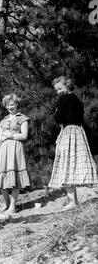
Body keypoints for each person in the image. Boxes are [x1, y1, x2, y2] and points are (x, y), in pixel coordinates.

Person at [48, 76, 98, 209]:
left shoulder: (64, 99)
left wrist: (56, 113)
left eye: (60, 88)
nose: (58, 92)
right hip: (78, 132)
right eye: (57, 90)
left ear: (67, 86)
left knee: (67, 164)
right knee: (75, 164)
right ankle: (73, 200)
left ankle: (72, 201)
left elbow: (58, 119)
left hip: (69, 132)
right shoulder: (77, 99)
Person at [0, 93, 30, 216]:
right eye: (7, 105)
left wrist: (11, 135)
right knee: (1, 178)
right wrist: (2, 137)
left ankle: (13, 206)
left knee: (15, 178)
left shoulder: (22, 118)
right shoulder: (3, 120)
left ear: (17, 104)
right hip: (4, 149)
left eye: (12, 104)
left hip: (16, 148)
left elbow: (24, 136)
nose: (10, 107)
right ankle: (7, 203)